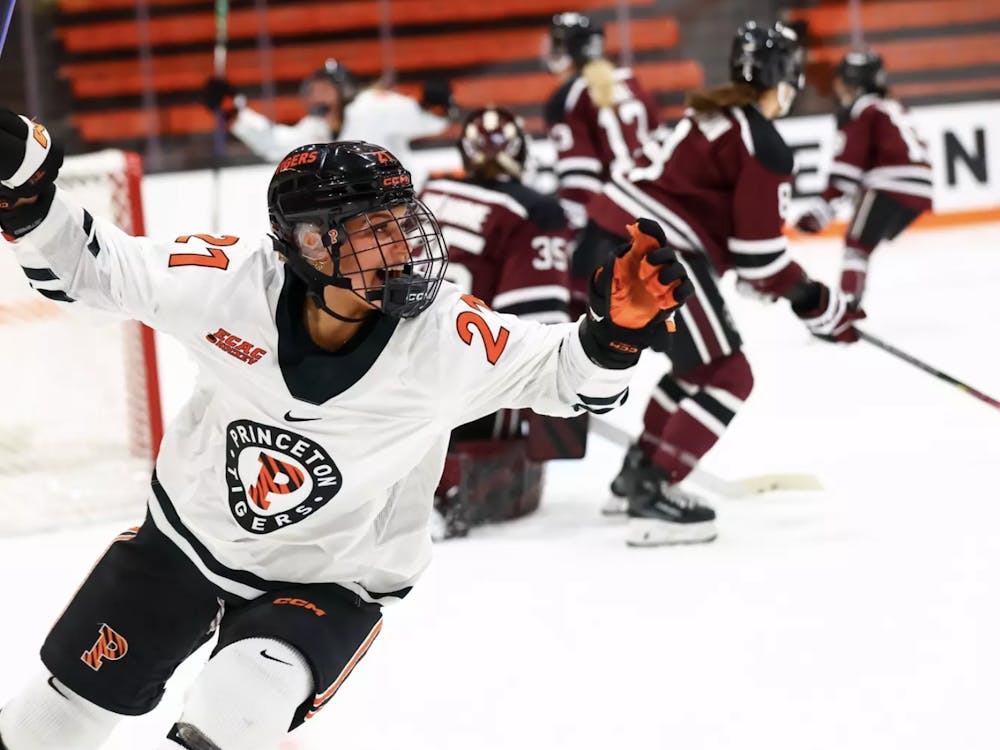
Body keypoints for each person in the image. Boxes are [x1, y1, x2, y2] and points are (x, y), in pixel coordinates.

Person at [0, 106, 692, 749]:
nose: (402, 246)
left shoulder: (442, 337)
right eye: (374, 230)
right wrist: (29, 192)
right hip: (187, 540)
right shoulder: (228, 282)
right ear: (308, 244)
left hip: (331, 577)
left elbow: (569, 380)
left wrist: (613, 337)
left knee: (235, 708)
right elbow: (92, 271)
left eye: (402, 222)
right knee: (48, 725)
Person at [580, 20, 866, 547]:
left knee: (696, 367)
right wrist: (817, 303)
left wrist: (776, 283)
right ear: (785, 80)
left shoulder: (705, 112)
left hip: (602, 240)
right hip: (655, 257)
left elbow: (735, 244)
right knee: (729, 375)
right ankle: (654, 491)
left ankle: (637, 473)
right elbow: (759, 260)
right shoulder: (764, 142)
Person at [419, 106, 575, 539]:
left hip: (388, 364)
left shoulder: (430, 194)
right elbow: (537, 330)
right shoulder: (536, 212)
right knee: (520, 364)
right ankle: (443, 492)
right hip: (464, 386)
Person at [543, 11, 662, 314]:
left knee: (579, 307)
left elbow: (580, 180)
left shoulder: (568, 96)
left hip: (611, 219)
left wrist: (566, 233)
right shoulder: (630, 80)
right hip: (657, 208)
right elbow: (660, 143)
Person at [795, 51, 933, 303]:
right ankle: (849, 301)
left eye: (841, 80)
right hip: (922, 190)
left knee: (857, 244)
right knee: (863, 239)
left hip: (891, 184)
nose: (837, 87)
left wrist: (819, 211)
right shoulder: (893, 106)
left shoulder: (862, 110)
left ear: (853, 83)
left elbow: (847, 169)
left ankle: (848, 305)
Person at [205, 59, 455, 187]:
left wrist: (437, 104)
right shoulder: (317, 128)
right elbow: (274, 143)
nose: (317, 96)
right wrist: (234, 112)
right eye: (314, 90)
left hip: (406, 204)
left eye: (325, 89)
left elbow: (429, 120)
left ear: (343, 90)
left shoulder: (372, 107)